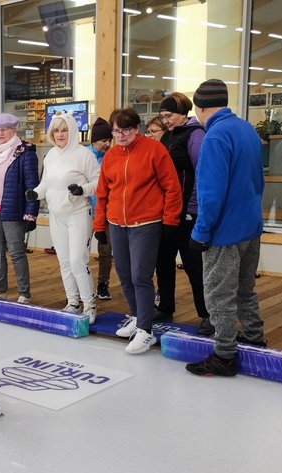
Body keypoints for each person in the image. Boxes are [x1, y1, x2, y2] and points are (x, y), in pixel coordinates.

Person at [186, 79, 266, 377]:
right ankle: (255, 337)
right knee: (245, 290)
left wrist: (201, 233)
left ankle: (224, 355)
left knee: (219, 295)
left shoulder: (216, 137)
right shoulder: (246, 129)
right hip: (250, 227)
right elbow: (259, 180)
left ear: (200, 106)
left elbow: (210, 192)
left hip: (224, 233)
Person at [94, 108, 181, 354]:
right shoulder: (111, 156)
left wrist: (170, 221)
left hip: (146, 224)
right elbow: (103, 193)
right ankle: (136, 316)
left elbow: (172, 188)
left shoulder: (155, 150)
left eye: (125, 130)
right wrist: (99, 225)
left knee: (140, 276)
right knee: (123, 274)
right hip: (117, 224)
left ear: (136, 129)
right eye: (115, 131)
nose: (120, 136)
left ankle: (146, 330)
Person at [26, 113, 100, 321]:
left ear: (72, 131)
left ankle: (89, 305)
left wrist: (82, 189)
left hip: (78, 213)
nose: (60, 134)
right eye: (56, 130)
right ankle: (73, 302)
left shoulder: (84, 155)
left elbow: (99, 181)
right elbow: (46, 184)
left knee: (78, 261)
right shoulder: (50, 155)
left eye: (64, 129)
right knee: (65, 261)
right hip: (56, 215)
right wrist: (36, 193)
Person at [153, 93, 213, 336]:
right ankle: (165, 307)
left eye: (169, 115)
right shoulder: (167, 136)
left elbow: (202, 173)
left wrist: (192, 208)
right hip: (167, 212)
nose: (166, 120)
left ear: (183, 113)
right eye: (163, 116)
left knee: (193, 265)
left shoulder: (195, 134)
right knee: (163, 262)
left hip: (188, 213)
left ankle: (208, 314)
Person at [0, 113, 39, 304]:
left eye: (4, 129)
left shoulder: (24, 151)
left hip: (13, 210)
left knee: (16, 252)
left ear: (13, 130)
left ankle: (24, 293)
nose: (0, 133)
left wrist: (31, 213)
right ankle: (0, 289)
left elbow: (32, 185)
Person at [88, 117, 114, 300]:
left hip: (106, 211)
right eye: (103, 140)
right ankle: (82, 286)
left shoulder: (112, 157)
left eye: (109, 140)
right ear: (93, 140)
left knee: (105, 250)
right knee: (80, 251)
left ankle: (103, 284)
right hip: (85, 210)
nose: (107, 144)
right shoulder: (84, 155)